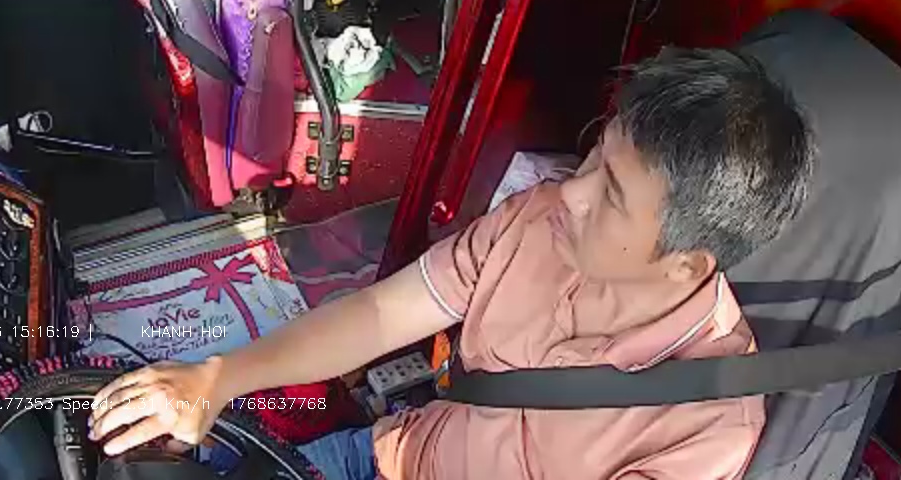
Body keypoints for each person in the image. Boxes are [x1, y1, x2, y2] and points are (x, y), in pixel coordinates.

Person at [88, 47, 816, 480]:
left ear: (687, 265)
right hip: (389, 457)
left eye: (613, 196)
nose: (572, 193)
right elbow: (382, 313)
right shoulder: (537, 224)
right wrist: (217, 379)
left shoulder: (707, 427)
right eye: (596, 155)